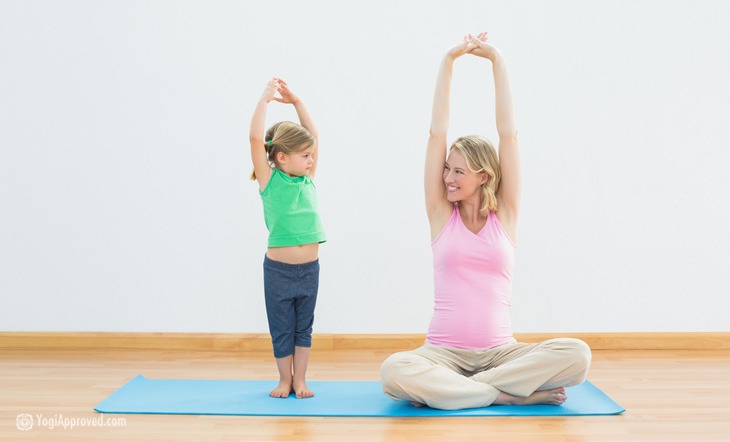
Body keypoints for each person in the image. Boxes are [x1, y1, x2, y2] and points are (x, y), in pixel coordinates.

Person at [379, 33, 591, 410]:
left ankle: (459, 391)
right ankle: (505, 395)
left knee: (577, 355)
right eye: (447, 169)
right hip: (442, 354)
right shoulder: (441, 213)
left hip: (501, 355)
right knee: (394, 372)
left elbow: (508, 135)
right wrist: (448, 61)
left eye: (458, 171)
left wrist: (496, 60)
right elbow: (436, 134)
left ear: (484, 176)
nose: (448, 178)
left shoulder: (505, 214)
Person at [249, 77, 325, 399]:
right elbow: (255, 138)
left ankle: (300, 381)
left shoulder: (307, 181)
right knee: (282, 328)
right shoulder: (269, 181)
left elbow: (315, 136)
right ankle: (284, 380)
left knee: (303, 328)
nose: (311, 159)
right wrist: (265, 100)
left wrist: (297, 102)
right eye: (304, 155)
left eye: (311, 155)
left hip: (309, 270)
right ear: (282, 157)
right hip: (279, 272)